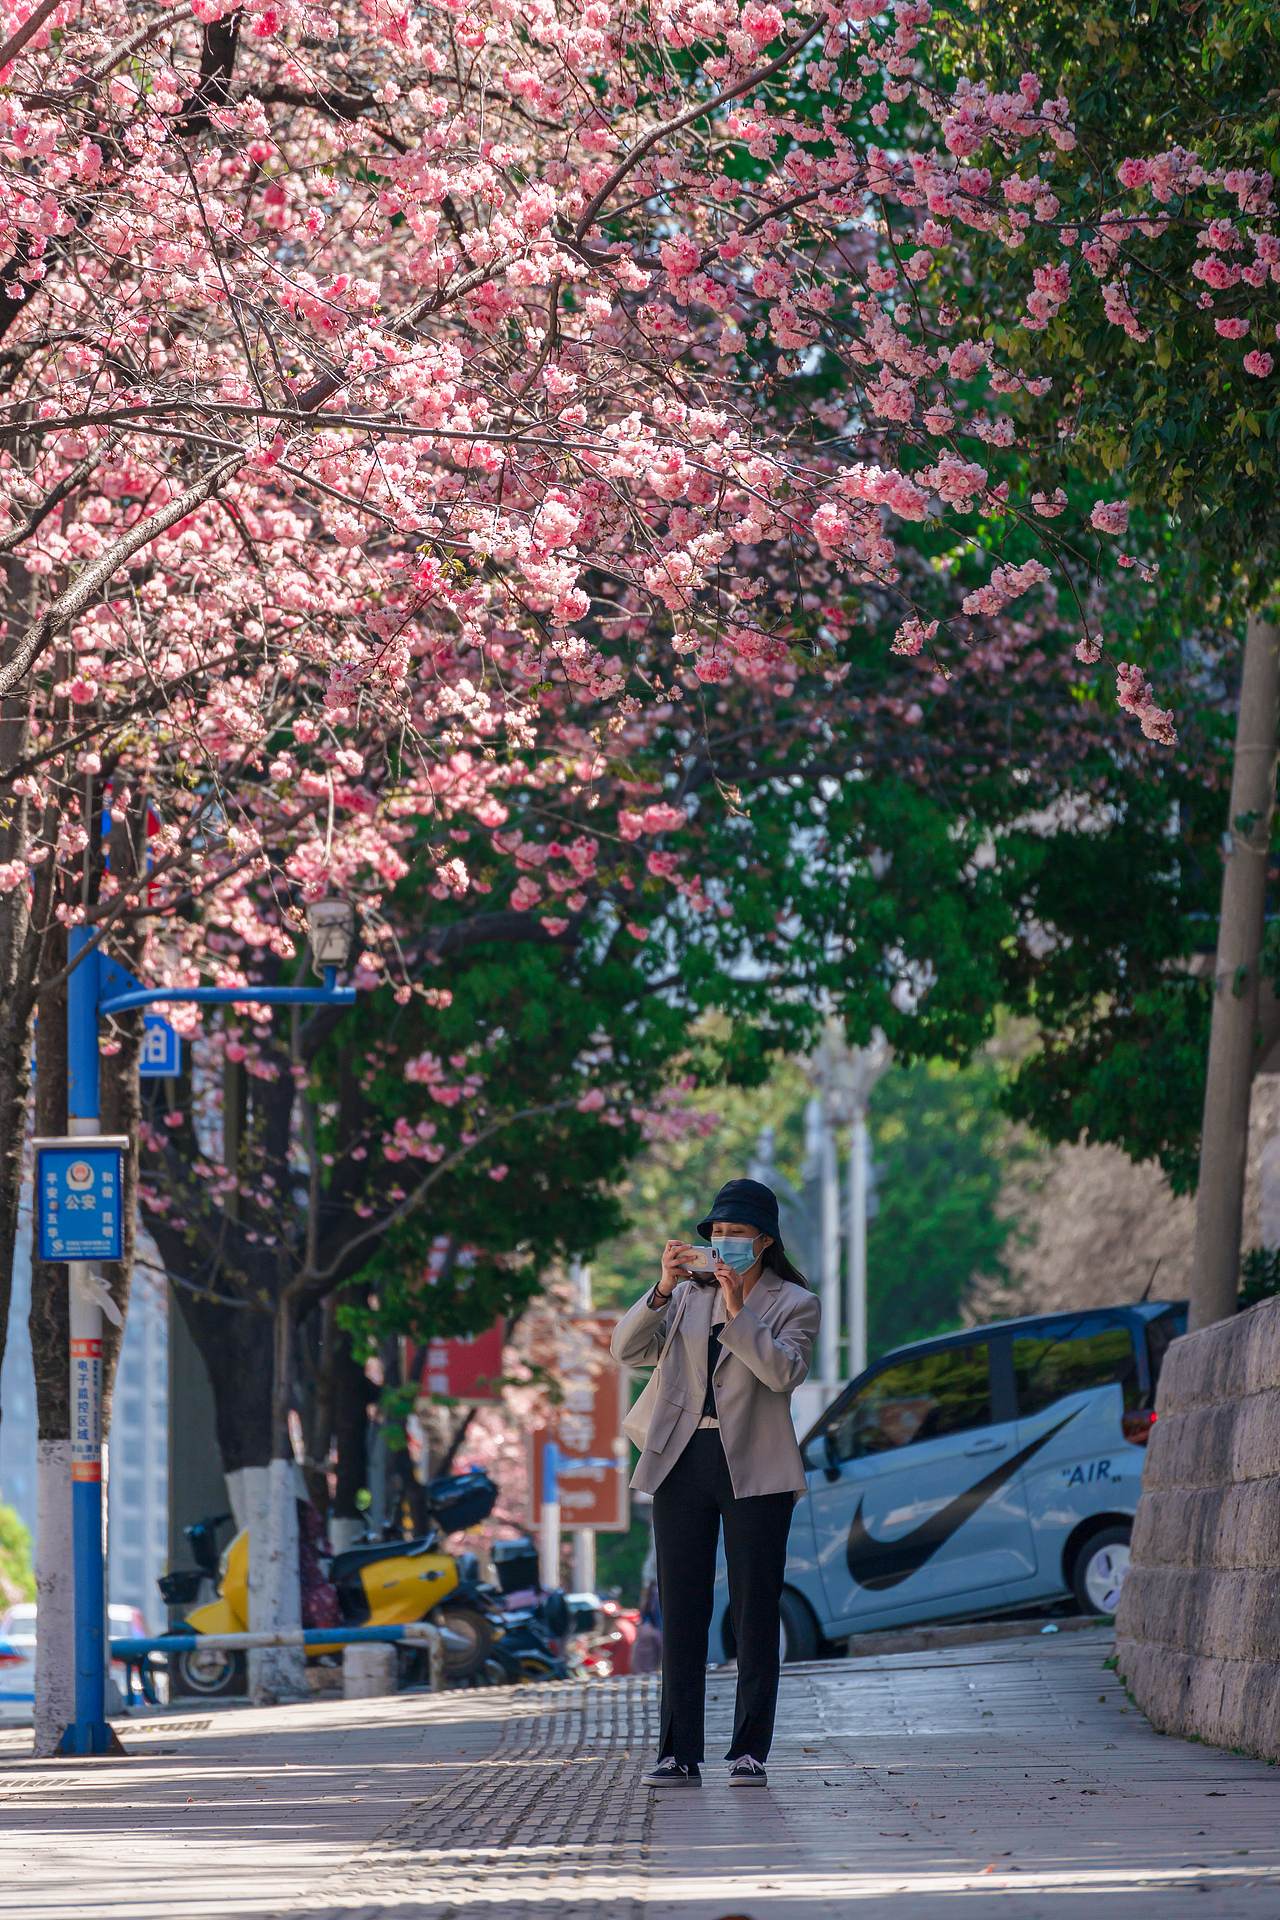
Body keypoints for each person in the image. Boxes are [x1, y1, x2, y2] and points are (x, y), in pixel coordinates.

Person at [610, 1177, 821, 1788]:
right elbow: (626, 1351)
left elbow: (782, 1375)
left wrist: (738, 1311)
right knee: (682, 1608)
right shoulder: (685, 1296)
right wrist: (663, 1288)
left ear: (765, 1241)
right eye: (716, 1234)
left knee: (754, 1610)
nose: (723, 1244)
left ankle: (749, 1750)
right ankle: (678, 1752)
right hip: (682, 1455)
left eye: (735, 1234)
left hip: (756, 1466)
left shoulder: (793, 1303)